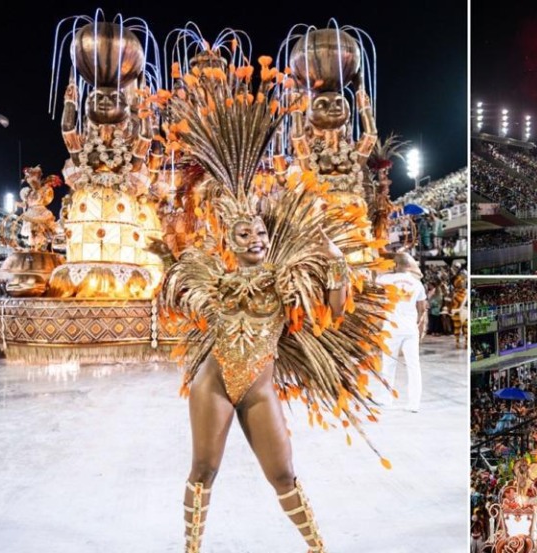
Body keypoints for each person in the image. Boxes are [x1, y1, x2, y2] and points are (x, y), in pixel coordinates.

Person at [159, 47, 395, 553]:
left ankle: (317, 546)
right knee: (204, 468)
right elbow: (176, 284)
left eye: (259, 234)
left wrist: (333, 256)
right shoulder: (213, 276)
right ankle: (191, 547)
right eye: (243, 234)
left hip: (260, 389)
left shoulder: (287, 281)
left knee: (284, 473)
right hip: (215, 383)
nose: (254, 239)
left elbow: (333, 309)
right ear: (230, 241)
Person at [377, 252, 428, 412]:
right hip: (410, 328)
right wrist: (420, 328)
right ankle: (414, 404)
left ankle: (386, 399)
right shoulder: (417, 284)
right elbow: (422, 309)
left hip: (391, 327)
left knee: (388, 365)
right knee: (413, 366)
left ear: (395, 265)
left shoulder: (384, 279)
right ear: (409, 266)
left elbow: (374, 291)